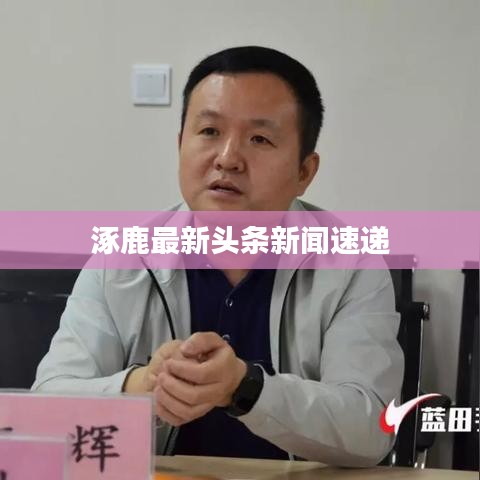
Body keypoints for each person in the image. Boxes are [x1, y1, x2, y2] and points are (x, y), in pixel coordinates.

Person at [32, 46, 404, 466]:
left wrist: (245, 388)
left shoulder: (352, 265)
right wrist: (144, 387)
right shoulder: (122, 258)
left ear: (304, 171)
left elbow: (371, 430)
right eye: (209, 131)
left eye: (259, 139)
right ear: (180, 145)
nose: (227, 159)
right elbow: (45, 411)